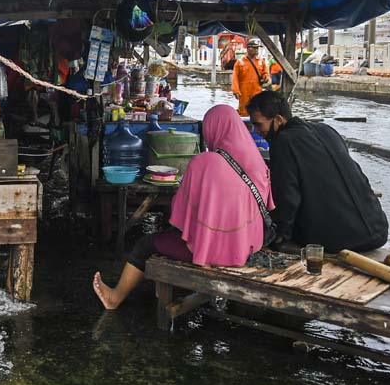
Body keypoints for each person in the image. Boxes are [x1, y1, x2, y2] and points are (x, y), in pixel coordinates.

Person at [93, 105, 273, 309]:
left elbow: (181, 213)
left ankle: (114, 298)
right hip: (249, 247)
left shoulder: (205, 162)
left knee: (146, 245)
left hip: (216, 255)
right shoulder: (256, 161)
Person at [247, 91, 388, 252]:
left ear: (278, 119)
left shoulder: (283, 140)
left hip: (343, 240)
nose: (256, 131)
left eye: (258, 124)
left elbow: (287, 196)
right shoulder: (327, 130)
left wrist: (279, 237)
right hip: (378, 229)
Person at [231, 40, 269, 117]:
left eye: (257, 48)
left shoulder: (261, 61)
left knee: (257, 110)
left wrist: (266, 77)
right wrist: (236, 91)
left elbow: (265, 73)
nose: (256, 50)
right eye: (254, 48)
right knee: (244, 111)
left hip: (257, 91)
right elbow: (235, 77)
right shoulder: (239, 62)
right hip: (244, 91)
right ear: (248, 48)